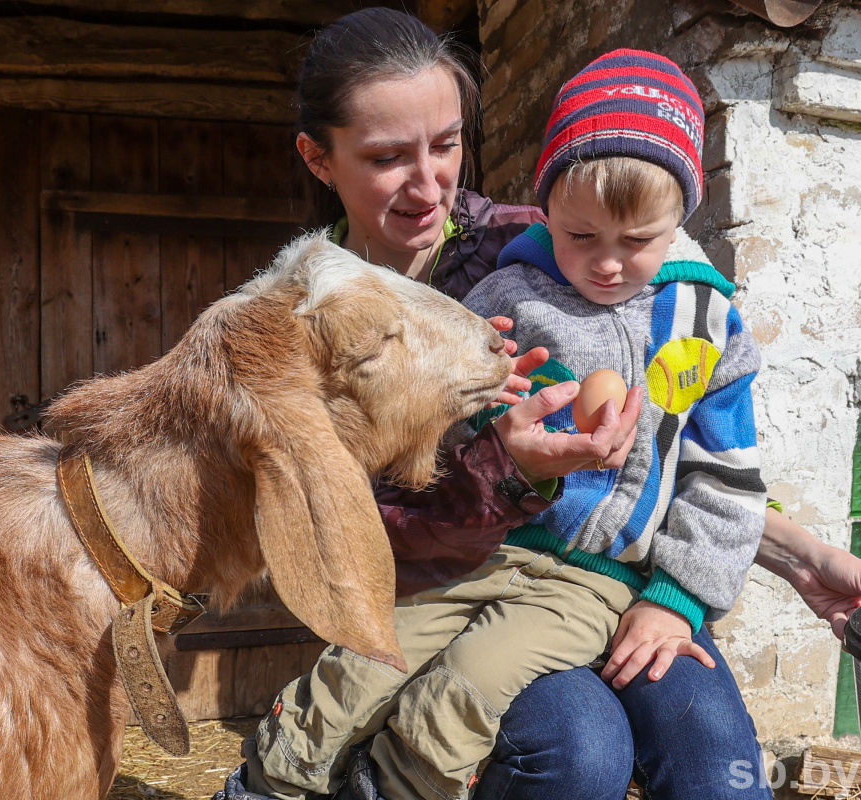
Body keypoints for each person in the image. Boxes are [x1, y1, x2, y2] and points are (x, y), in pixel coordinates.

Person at [214, 8, 859, 800]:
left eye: (447, 144)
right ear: (317, 155)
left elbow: (688, 447)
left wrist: (793, 556)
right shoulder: (302, 325)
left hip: (613, 577)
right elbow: (334, 531)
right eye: (387, 156)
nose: (429, 183)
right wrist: (503, 464)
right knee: (576, 748)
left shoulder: (557, 252)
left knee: (713, 755)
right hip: (442, 580)